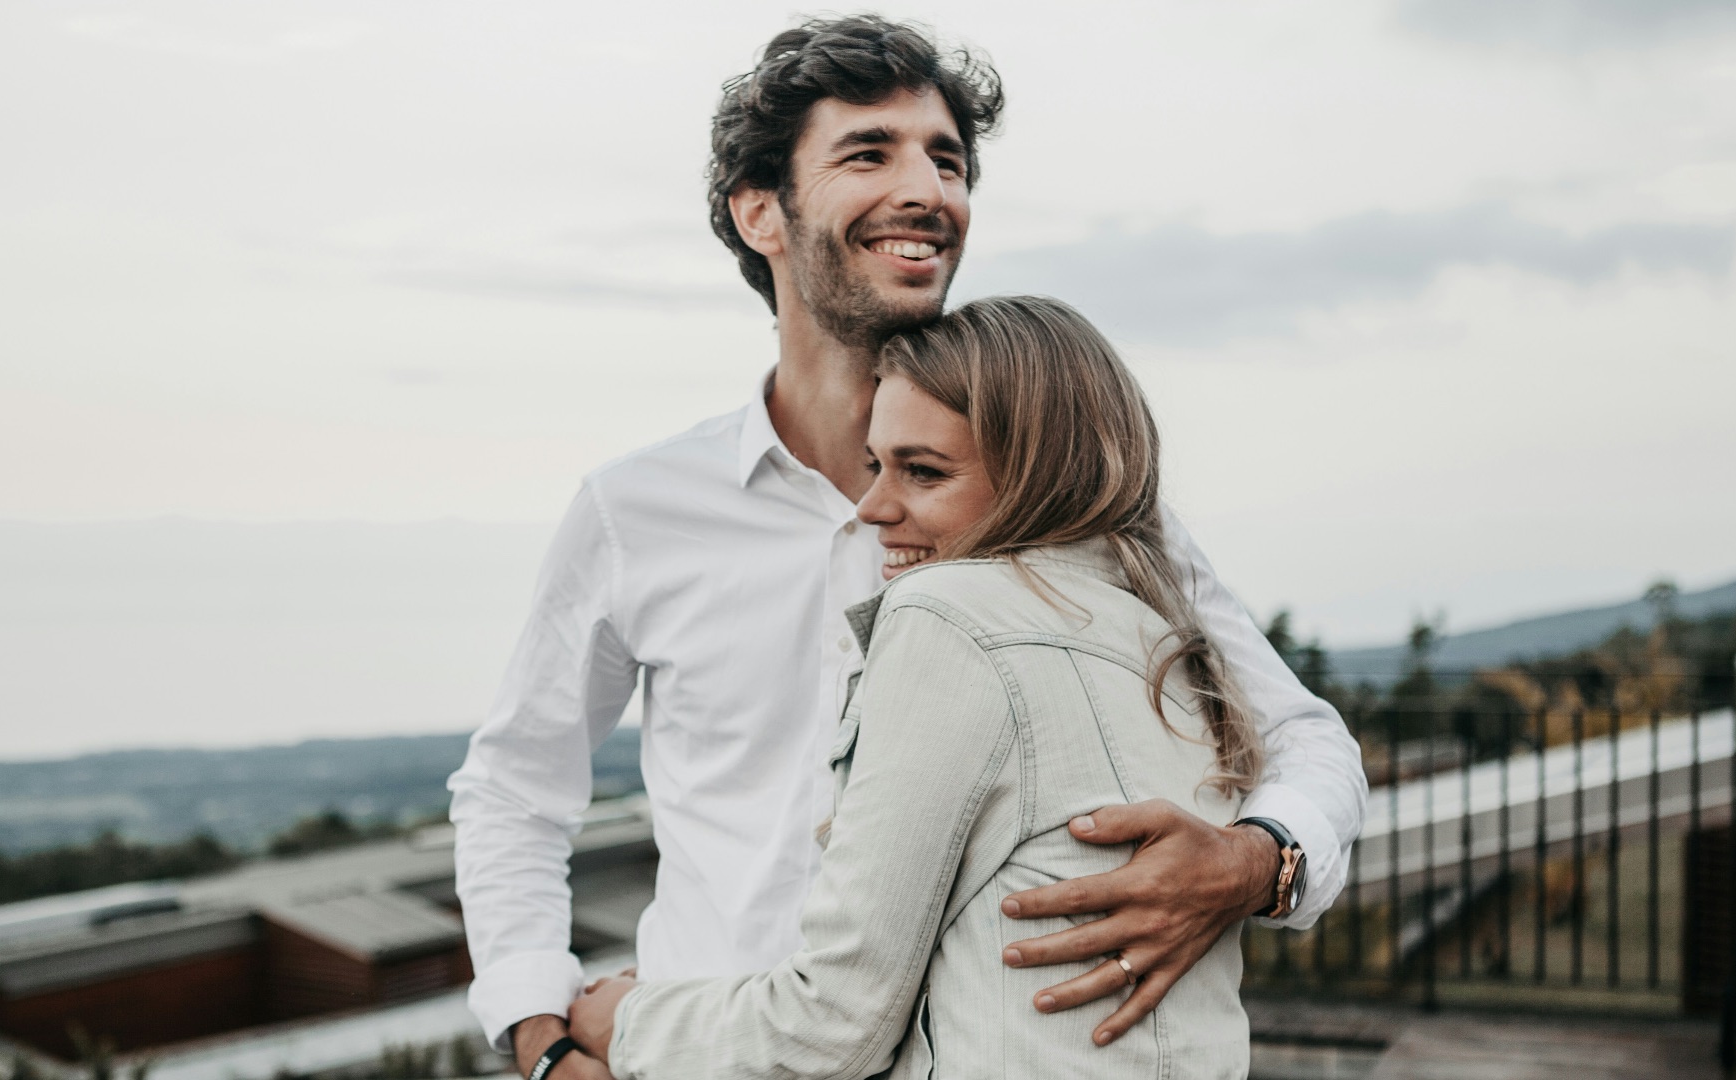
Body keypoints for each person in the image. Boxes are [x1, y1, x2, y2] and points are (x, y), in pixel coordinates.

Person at [446, 16, 1366, 1080]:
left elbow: (1305, 736)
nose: (929, 188)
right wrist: (540, 1039)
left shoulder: (1069, 495)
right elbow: (515, 787)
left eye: (947, 159)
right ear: (761, 213)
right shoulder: (634, 509)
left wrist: (1256, 864)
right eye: (868, 152)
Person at [567, 295, 1273, 1079]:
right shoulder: (1169, 637)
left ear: (1038, 474)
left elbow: (834, 1024)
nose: (873, 507)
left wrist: (622, 1023)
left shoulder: (947, 614)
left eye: (923, 472)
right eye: (877, 464)